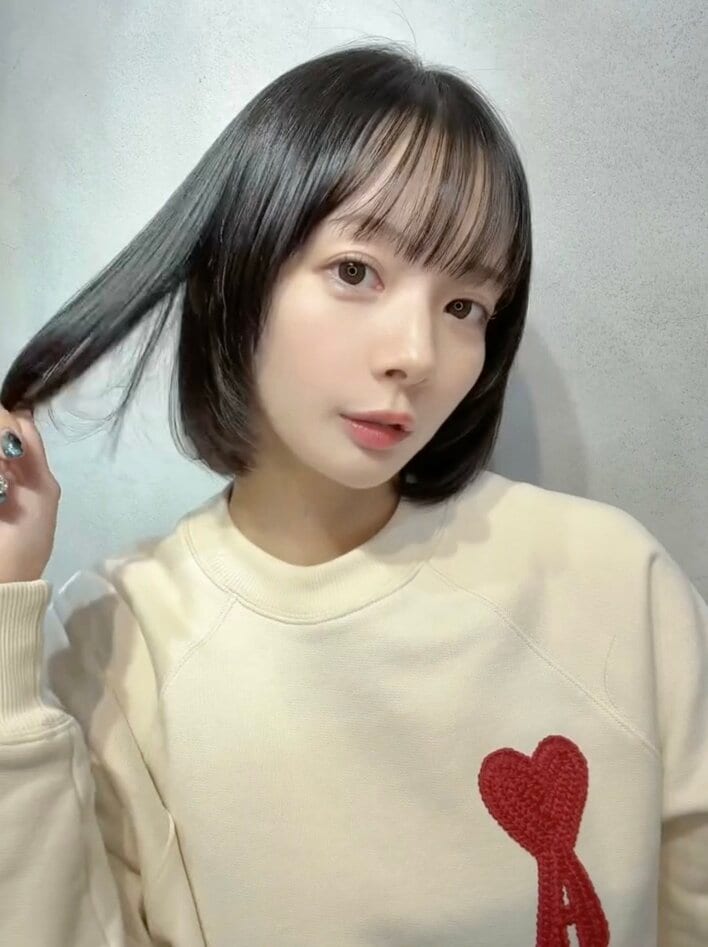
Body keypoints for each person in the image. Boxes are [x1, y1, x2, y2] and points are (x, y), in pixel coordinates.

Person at [0, 40, 705, 947]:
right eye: (356, 271)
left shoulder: (612, 582)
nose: (416, 353)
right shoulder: (118, 643)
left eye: (465, 307)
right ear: (238, 271)